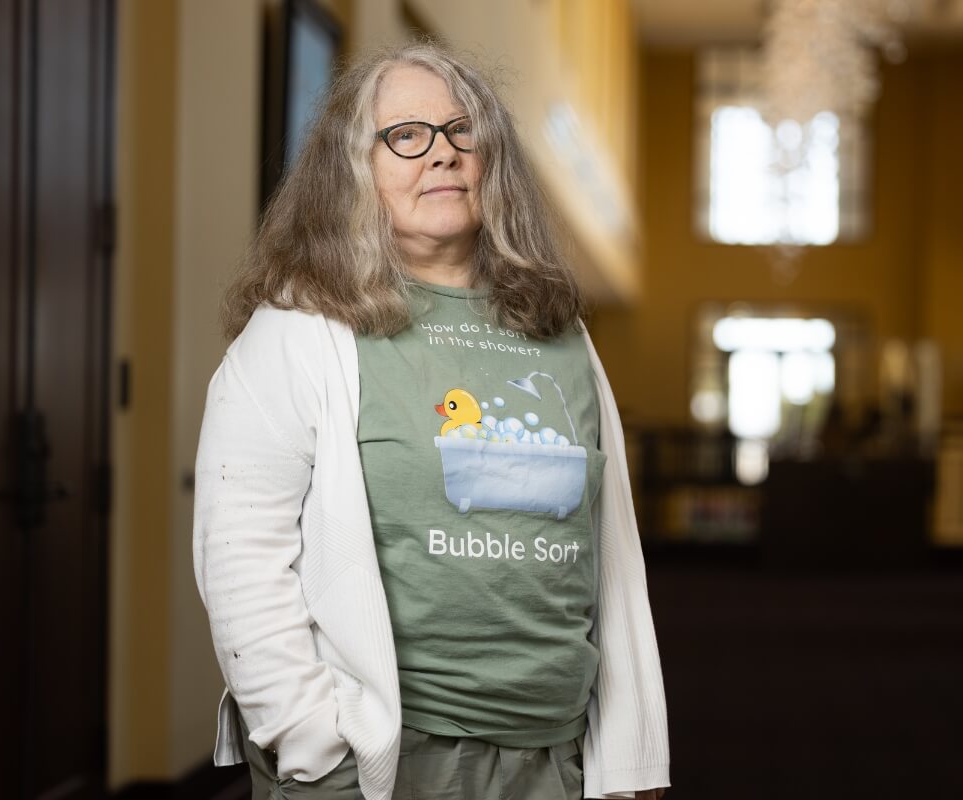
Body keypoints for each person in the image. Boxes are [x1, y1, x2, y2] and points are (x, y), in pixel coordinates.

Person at [192, 41, 670, 800]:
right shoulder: (297, 329)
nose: (442, 153)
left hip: (554, 754)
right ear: (352, 168)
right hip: (380, 758)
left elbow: (609, 555)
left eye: (461, 130)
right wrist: (313, 744)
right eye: (406, 135)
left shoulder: (559, 329)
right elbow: (241, 554)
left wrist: (632, 758)